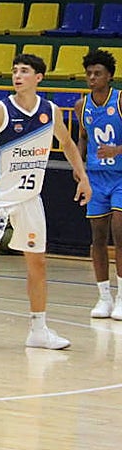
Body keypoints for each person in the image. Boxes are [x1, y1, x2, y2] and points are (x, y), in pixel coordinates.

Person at [0, 53, 89, 350]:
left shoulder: (50, 111)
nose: (17, 76)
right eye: (14, 71)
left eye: (24, 71)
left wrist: (83, 176)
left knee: (38, 264)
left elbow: (67, 144)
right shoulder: (0, 110)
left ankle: (38, 329)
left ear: (38, 77)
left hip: (29, 199)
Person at [78, 48, 122, 320]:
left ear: (110, 77)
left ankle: (121, 298)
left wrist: (117, 150)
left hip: (120, 175)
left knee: (120, 232)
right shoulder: (81, 105)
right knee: (97, 237)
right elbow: (82, 137)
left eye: (98, 73)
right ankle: (104, 297)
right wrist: (79, 166)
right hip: (95, 178)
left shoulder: (120, 101)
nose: (92, 77)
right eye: (89, 73)